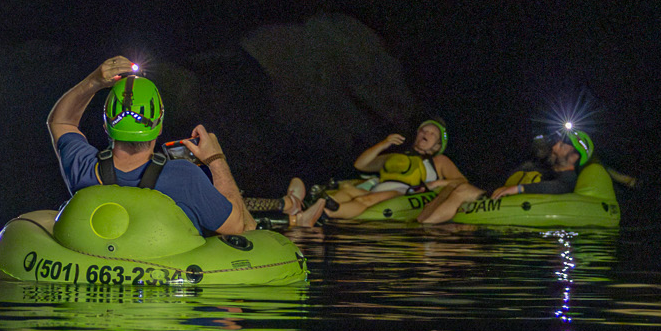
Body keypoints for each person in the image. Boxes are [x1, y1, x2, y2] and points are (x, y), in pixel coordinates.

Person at [46, 56, 254, 236]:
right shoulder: (185, 178)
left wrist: (94, 81)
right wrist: (215, 158)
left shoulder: (84, 169)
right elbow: (239, 226)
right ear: (160, 126)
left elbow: (61, 122)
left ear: (106, 126)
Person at [283, 118, 466, 225]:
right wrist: (385, 143)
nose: (425, 133)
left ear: (437, 145)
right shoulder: (396, 157)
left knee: (365, 199)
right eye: (422, 130)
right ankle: (304, 209)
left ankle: (325, 214)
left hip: (403, 194)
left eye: (431, 133)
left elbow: (461, 182)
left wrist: (438, 184)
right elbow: (362, 164)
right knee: (348, 190)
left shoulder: (439, 161)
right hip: (380, 187)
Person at [416, 127, 596, 225]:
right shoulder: (545, 167)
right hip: (506, 201)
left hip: (517, 207)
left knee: (462, 190)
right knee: (452, 188)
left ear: (574, 156)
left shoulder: (568, 178)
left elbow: (560, 188)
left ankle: (424, 230)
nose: (556, 145)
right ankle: (420, 223)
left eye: (563, 144)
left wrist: (517, 189)